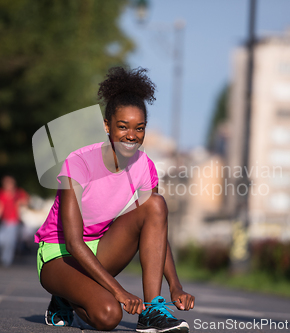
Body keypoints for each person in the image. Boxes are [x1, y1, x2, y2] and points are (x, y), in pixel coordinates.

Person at [34, 67, 195, 332]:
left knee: (156, 205)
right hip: (60, 254)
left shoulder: (145, 167)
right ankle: (64, 295)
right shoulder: (79, 163)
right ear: (107, 126)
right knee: (109, 316)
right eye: (123, 127)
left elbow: (156, 230)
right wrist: (119, 292)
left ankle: (152, 310)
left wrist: (175, 285)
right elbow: (74, 243)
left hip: (101, 249)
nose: (131, 135)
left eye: (139, 128)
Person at [0, 175, 28, 266]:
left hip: (14, 222)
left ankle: (6, 260)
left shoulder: (19, 193)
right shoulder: (0, 193)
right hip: (4, 221)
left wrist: (20, 202)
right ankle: (1, 255)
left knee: (10, 242)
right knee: (0, 240)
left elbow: (26, 202)